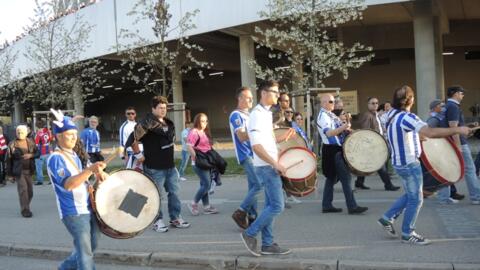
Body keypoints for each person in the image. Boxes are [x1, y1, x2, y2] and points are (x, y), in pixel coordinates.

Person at [377, 85, 470, 245]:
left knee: (411, 194)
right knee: (417, 199)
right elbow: (431, 132)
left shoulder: (389, 115)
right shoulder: (409, 117)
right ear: (411, 100)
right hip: (410, 163)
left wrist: (416, 137)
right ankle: (408, 233)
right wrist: (458, 130)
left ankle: (387, 218)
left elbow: (400, 131)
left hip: (398, 162)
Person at [46, 109, 107, 270]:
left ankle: (64, 268)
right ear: (59, 136)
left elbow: (88, 178)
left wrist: (100, 174)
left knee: (90, 246)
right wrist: (90, 170)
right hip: (72, 211)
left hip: (88, 207)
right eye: (69, 134)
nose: (74, 137)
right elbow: (69, 184)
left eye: (75, 133)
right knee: (85, 253)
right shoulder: (56, 158)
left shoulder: (75, 155)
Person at [240, 80, 293, 256]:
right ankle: (249, 233)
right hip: (266, 167)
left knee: (270, 205)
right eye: (275, 92)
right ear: (264, 93)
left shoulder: (266, 114)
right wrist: (274, 163)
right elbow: (256, 146)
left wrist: (281, 139)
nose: (278, 96)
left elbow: (265, 141)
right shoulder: (256, 115)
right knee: (278, 206)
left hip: (269, 165)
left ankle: (268, 244)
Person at [128, 96, 190, 233]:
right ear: (153, 108)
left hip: (170, 166)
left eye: (165, 108)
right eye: (160, 108)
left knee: (174, 192)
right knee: (156, 195)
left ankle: (175, 218)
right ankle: (157, 221)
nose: (163, 110)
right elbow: (131, 141)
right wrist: (139, 156)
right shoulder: (146, 123)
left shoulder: (168, 123)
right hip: (154, 167)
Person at [317, 94, 368, 215]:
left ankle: (327, 205)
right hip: (332, 149)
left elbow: (339, 128)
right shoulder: (323, 116)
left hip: (335, 149)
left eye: (333, 101)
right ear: (323, 103)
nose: (333, 103)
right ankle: (352, 206)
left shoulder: (330, 114)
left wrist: (347, 128)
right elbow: (329, 133)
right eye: (330, 101)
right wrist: (345, 126)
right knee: (346, 178)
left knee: (332, 178)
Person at [434, 86, 480, 205]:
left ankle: (443, 198)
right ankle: (476, 196)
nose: (463, 95)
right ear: (454, 94)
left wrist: (467, 127)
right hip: (457, 143)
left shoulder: (445, 106)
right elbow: (453, 127)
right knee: (470, 169)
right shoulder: (453, 106)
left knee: (447, 170)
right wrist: (458, 146)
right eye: (461, 93)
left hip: (447, 142)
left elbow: (450, 125)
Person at [230, 86, 263, 229]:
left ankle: (252, 216)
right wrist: (258, 131)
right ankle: (241, 211)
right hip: (246, 155)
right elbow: (242, 136)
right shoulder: (236, 115)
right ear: (240, 99)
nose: (251, 100)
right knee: (258, 185)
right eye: (248, 97)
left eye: (252, 97)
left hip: (254, 154)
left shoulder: (248, 115)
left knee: (252, 186)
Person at [355, 97, 399, 191]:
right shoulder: (367, 115)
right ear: (368, 105)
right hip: (372, 145)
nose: (375, 105)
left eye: (376, 103)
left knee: (365, 165)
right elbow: (366, 131)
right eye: (372, 103)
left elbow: (379, 128)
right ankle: (388, 184)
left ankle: (359, 182)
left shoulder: (376, 115)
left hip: (379, 143)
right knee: (380, 165)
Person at [426, 99, 464, 202]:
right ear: (435, 107)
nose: (443, 108)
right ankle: (444, 197)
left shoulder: (439, 117)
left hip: (441, 148)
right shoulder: (434, 118)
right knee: (443, 172)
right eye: (441, 106)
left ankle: (445, 196)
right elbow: (428, 132)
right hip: (439, 148)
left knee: (444, 172)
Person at [187, 113, 220, 215]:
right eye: (202, 121)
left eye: (206, 121)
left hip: (206, 162)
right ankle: (193, 203)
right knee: (207, 184)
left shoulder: (203, 132)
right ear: (197, 121)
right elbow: (189, 146)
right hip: (199, 163)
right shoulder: (194, 132)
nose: (204, 123)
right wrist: (196, 159)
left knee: (204, 184)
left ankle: (206, 206)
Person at [6, 125, 40, 218]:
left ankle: (25, 205)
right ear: (16, 133)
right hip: (19, 171)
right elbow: (8, 160)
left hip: (29, 171)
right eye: (18, 132)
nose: (20, 133)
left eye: (22, 132)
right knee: (23, 190)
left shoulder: (31, 142)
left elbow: (38, 153)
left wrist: (31, 155)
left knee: (30, 192)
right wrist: (9, 175)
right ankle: (25, 210)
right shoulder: (12, 144)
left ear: (26, 133)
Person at [34, 120, 53, 185]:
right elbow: (51, 139)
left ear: (37, 126)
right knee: (49, 166)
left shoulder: (38, 134)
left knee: (39, 167)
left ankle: (40, 180)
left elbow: (36, 144)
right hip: (48, 151)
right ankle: (51, 179)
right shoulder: (48, 132)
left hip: (41, 152)